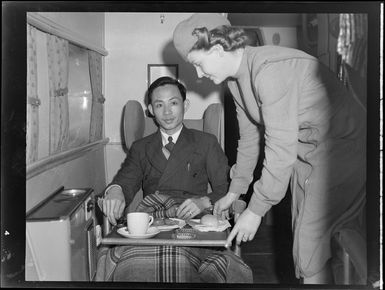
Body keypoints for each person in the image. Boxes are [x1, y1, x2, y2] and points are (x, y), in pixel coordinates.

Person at [173, 13, 366, 284]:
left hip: (343, 149)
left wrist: (255, 210)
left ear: (217, 50)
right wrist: (234, 191)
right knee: (314, 236)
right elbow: (250, 140)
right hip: (308, 151)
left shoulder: (268, 70)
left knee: (309, 246)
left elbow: (279, 149)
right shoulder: (236, 80)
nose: (198, 75)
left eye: (197, 64)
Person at [96, 76, 252, 283]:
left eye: (174, 103)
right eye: (159, 105)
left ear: (185, 105)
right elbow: (126, 180)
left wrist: (204, 201)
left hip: (195, 223)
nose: (167, 112)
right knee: (132, 263)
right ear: (151, 109)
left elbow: (226, 189)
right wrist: (115, 190)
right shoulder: (141, 147)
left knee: (178, 259)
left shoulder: (206, 142)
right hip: (153, 222)